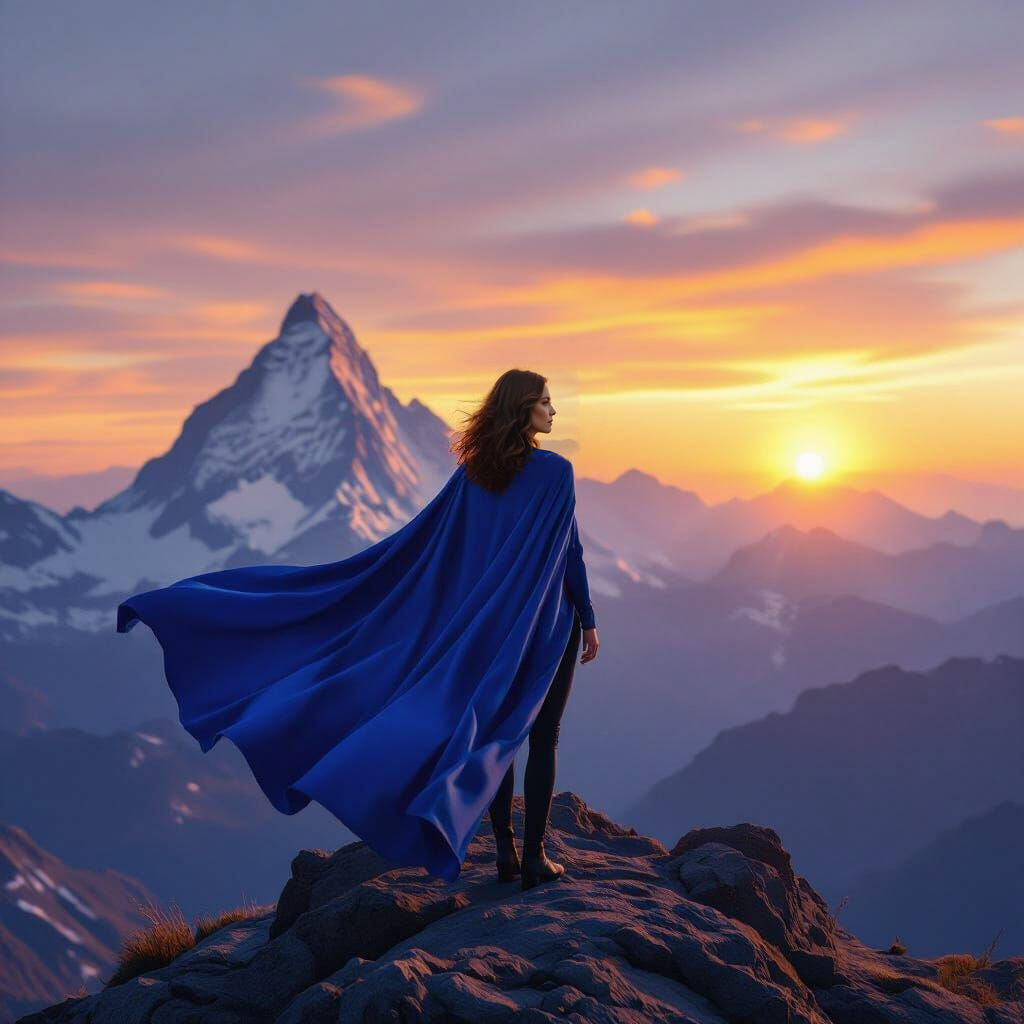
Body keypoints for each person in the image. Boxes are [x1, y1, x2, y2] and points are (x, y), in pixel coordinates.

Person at [117, 368, 600, 889]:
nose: (553, 412)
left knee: (497, 729)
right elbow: (569, 552)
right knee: (541, 735)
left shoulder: (474, 472)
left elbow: (442, 547)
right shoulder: (556, 473)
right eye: (545, 403)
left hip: (485, 627)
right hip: (543, 622)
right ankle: (534, 858)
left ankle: (505, 853)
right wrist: (589, 620)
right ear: (523, 408)